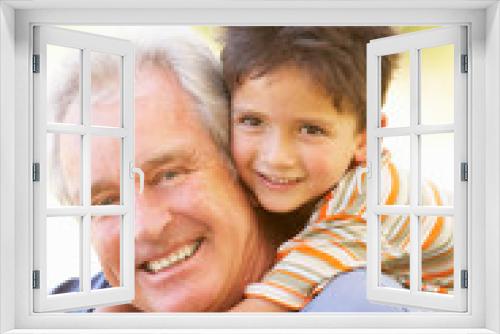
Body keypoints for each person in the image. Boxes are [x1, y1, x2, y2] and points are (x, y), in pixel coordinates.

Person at [50, 29, 413, 312]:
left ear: (243, 171)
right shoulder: (66, 312)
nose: (143, 227)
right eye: (107, 200)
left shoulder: (357, 309)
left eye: (169, 175)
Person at [222, 27, 453, 311]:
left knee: (352, 298)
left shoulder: (361, 206)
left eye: (311, 129)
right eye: (252, 121)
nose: (277, 157)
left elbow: (264, 312)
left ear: (366, 140)